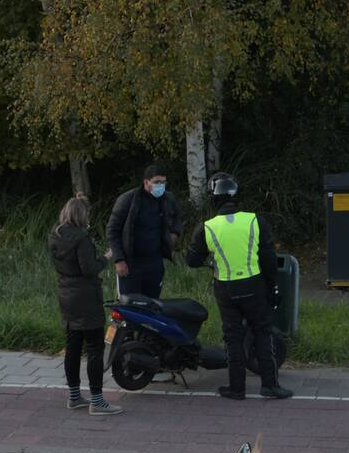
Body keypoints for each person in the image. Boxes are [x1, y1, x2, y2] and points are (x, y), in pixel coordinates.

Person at [186, 172, 293, 400]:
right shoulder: (255, 221)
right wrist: (273, 287)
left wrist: (211, 260)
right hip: (254, 286)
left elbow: (192, 260)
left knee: (232, 337)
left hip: (225, 288)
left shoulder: (207, 227)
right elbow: (269, 259)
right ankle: (270, 386)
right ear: (236, 195)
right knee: (262, 334)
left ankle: (236, 389)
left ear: (213, 198)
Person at [48, 194, 123, 415]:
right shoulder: (82, 239)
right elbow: (89, 269)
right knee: (94, 349)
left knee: (73, 346)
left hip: (66, 295)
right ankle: (97, 401)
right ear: (82, 215)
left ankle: (74, 396)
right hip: (86, 296)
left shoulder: (55, 235)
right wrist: (106, 258)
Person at [106, 164, 184, 299]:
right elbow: (112, 230)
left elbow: (178, 216)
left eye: (163, 182)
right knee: (129, 307)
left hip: (155, 262)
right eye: (157, 182)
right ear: (146, 182)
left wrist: (175, 233)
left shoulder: (168, 198)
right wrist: (119, 260)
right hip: (130, 263)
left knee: (152, 305)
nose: (160, 185)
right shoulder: (128, 200)